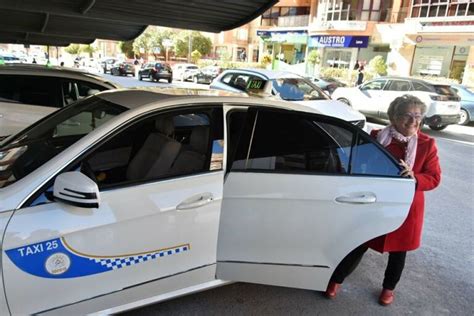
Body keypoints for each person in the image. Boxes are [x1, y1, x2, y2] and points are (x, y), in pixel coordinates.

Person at [325, 94, 441, 306]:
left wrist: (415, 177)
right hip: (375, 202)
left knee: (398, 253)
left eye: (418, 116)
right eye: (407, 115)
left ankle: (389, 288)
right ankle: (336, 280)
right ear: (394, 117)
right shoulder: (378, 136)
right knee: (358, 243)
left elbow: (434, 178)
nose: (414, 121)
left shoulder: (427, 144)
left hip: (406, 208)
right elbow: (359, 162)